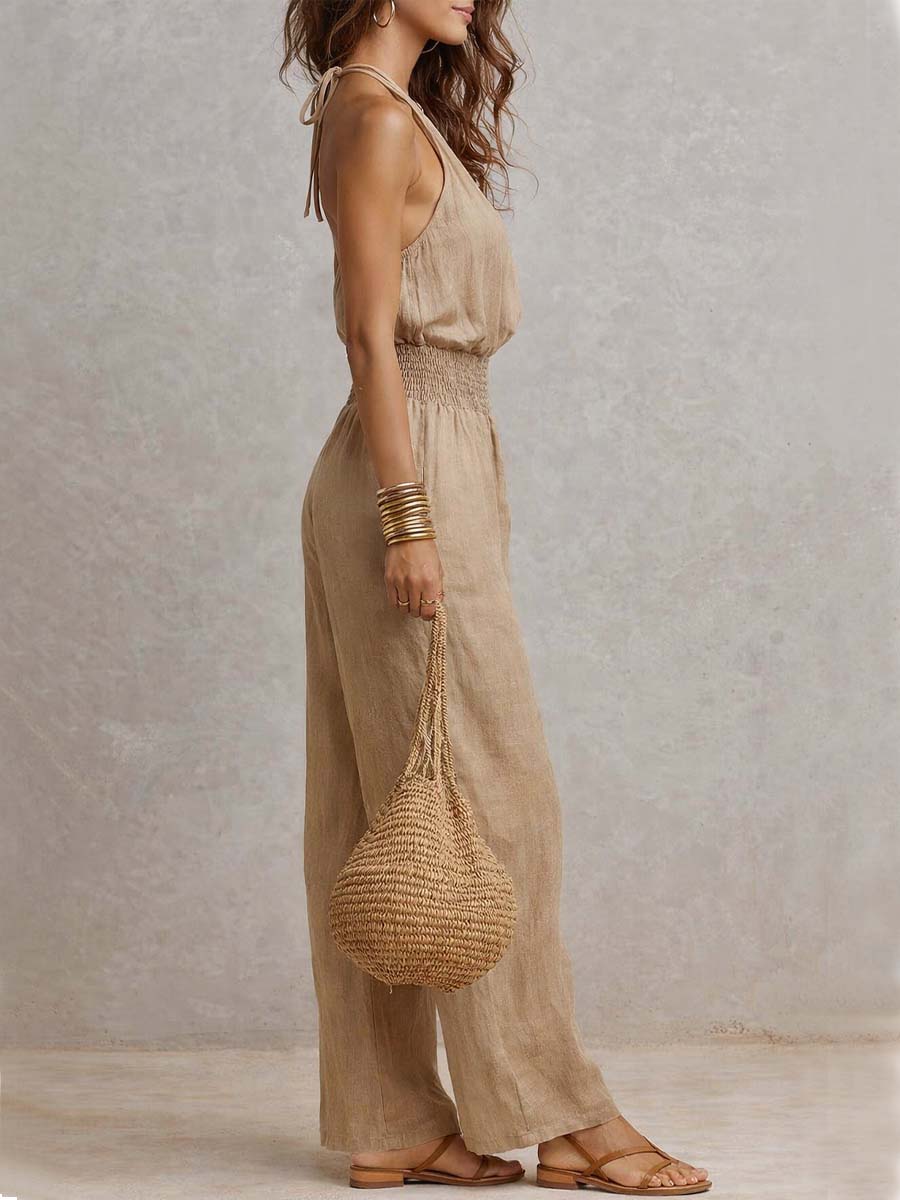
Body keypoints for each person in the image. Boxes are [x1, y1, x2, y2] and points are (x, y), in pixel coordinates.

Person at [283, 0, 712, 1192]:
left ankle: (392, 1118)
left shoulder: (384, 111)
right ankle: (562, 1117)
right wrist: (408, 517)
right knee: (493, 802)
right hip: (410, 462)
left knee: (394, 800)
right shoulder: (372, 118)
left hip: (437, 449)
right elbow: (370, 337)